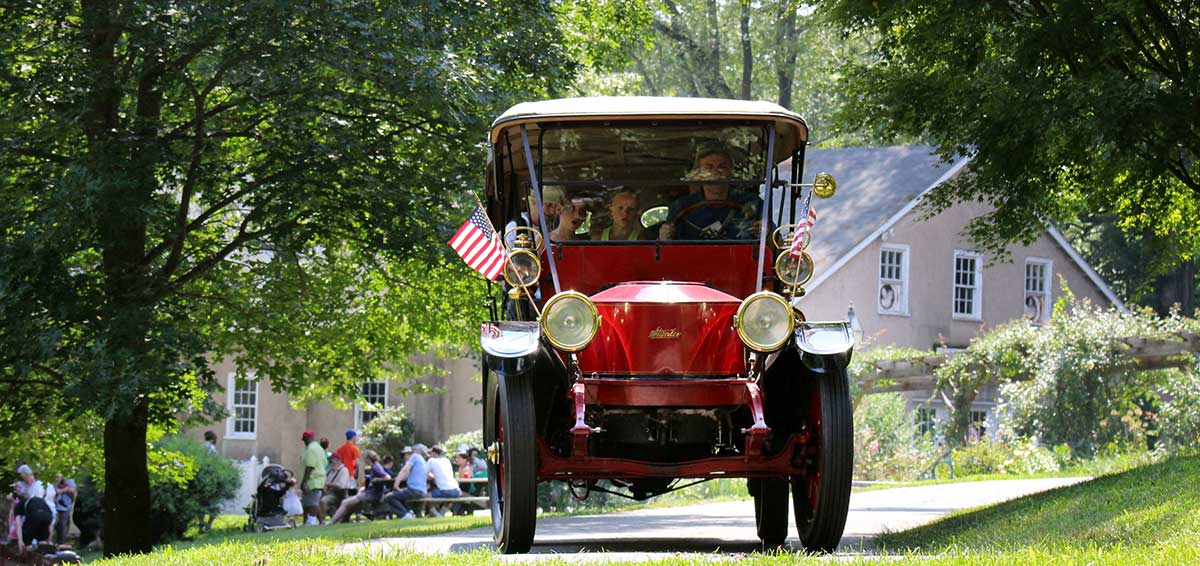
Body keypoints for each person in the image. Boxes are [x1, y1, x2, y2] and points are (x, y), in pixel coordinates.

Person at [658, 146, 763, 240]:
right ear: (699, 173)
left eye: (722, 167)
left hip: (742, 259)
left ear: (731, 171)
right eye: (708, 168)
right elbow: (665, 251)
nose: (715, 172)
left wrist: (763, 232)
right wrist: (664, 237)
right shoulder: (681, 206)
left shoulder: (752, 203)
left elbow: (773, 242)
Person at [328, 450, 391, 524]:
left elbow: (388, 477)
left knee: (345, 502)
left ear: (368, 458)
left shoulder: (376, 466)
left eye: (364, 458)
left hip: (372, 495)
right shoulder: (374, 466)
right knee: (348, 503)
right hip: (369, 493)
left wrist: (376, 479)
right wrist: (363, 489)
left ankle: (331, 522)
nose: (364, 460)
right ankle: (341, 521)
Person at [383, 444, 428, 519]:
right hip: (422, 492)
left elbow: (404, 470)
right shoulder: (423, 461)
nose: (405, 456)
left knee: (389, 497)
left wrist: (396, 484)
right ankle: (408, 513)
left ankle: (404, 515)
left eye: (406, 454)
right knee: (401, 494)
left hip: (414, 490)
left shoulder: (415, 456)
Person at [11, 487, 52, 555]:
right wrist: (48, 539)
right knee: (42, 540)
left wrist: (21, 541)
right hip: (48, 515)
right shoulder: (37, 500)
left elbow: (18, 525)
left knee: (26, 539)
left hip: (35, 515)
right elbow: (50, 523)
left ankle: (25, 554)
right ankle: (44, 554)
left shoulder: (18, 505)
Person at [298, 429, 327, 526]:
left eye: (305, 439)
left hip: (312, 480)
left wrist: (304, 482)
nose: (304, 442)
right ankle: (319, 521)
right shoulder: (319, 448)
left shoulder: (311, 448)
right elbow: (324, 463)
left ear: (309, 438)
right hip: (319, 479)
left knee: (312, 503)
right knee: (310, 502)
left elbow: (310, 466)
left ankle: (311, 521)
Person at [425, 446, 461, 518]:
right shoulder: (446, 460)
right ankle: (441, 514)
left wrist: (432, 476)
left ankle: (437, 515)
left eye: (430, 453)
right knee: (450, 498)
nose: (429, 455)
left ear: (434, 453)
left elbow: (424, 473)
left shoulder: (431, 461)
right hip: (457, 490)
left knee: (426, 496)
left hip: (445, 490)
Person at [319, 453, 357, 520]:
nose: (330, 463)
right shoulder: (331, 471)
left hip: (340, 494)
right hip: (331, 493)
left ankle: (323, 520)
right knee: (316, 501)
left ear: (338, 461)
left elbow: (341, 485)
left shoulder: (344, 470)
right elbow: (325, 482)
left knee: (323, 501)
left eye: (331, 461)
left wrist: (328, 484)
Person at [52, 474, 76, 545]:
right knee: (55, 525)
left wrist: (66, 487)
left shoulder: (70, 480)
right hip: (55, 506)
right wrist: (65, 488)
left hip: (65, 507)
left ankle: (62, 544)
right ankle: (54, 543)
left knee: (63, 526)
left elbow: (73, 490)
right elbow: (56, 491)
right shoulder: (54, 479)